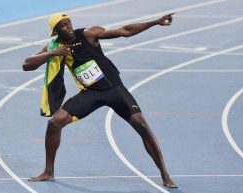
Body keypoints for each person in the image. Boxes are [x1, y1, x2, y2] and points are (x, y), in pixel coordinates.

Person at [23, 12, 177, 188]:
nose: (69, 27)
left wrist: (155, 22)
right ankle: (48, 172)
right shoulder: (55, 45)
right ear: (56, 31)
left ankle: (165, 174)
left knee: (142, 125)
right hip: (90, 93)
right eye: (64, 26)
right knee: (54, 123)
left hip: (114, 90)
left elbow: (125, 31)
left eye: (70, 23)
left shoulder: (89, 34)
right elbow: (27, 65)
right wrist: (52, 53)